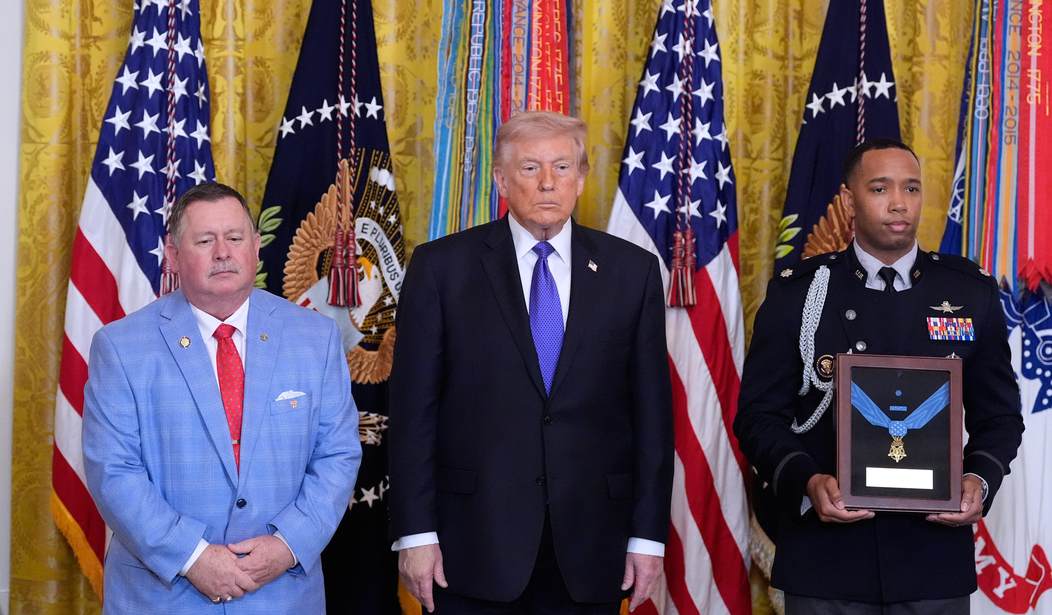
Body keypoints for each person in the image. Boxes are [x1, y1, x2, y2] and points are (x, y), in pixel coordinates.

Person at [388, 111, 673, 614]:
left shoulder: (633, 272)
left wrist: (648, 537)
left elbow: (652, 417)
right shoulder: (441, 268)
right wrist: (415, 533)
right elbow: (413, 413)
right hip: (471, 544)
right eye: (529, 168)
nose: (547, 182)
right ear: (501, 180)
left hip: (592, 546)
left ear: (581, 178)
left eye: (562, 167)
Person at [734, 139, 1024, 614]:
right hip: (826, 560)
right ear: (849, 200)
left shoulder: (969, 293)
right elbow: (758, 416)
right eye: (879, 188)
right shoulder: (799, 294)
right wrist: (807, 481)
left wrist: (979, 478)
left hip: (931, 561)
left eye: (911, 188)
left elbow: (1000, 417)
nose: (898, 203)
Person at [82, 182, 361, 613]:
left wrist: (287, 545)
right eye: (205, 240)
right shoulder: (120, 347)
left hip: (282, 594)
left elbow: (338, 454)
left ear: (256, 246)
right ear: (173, 255)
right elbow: (114, 472)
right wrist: (193, 557)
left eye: (234, 237)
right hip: (164, 597)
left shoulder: (316, 337)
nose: (223, 253)